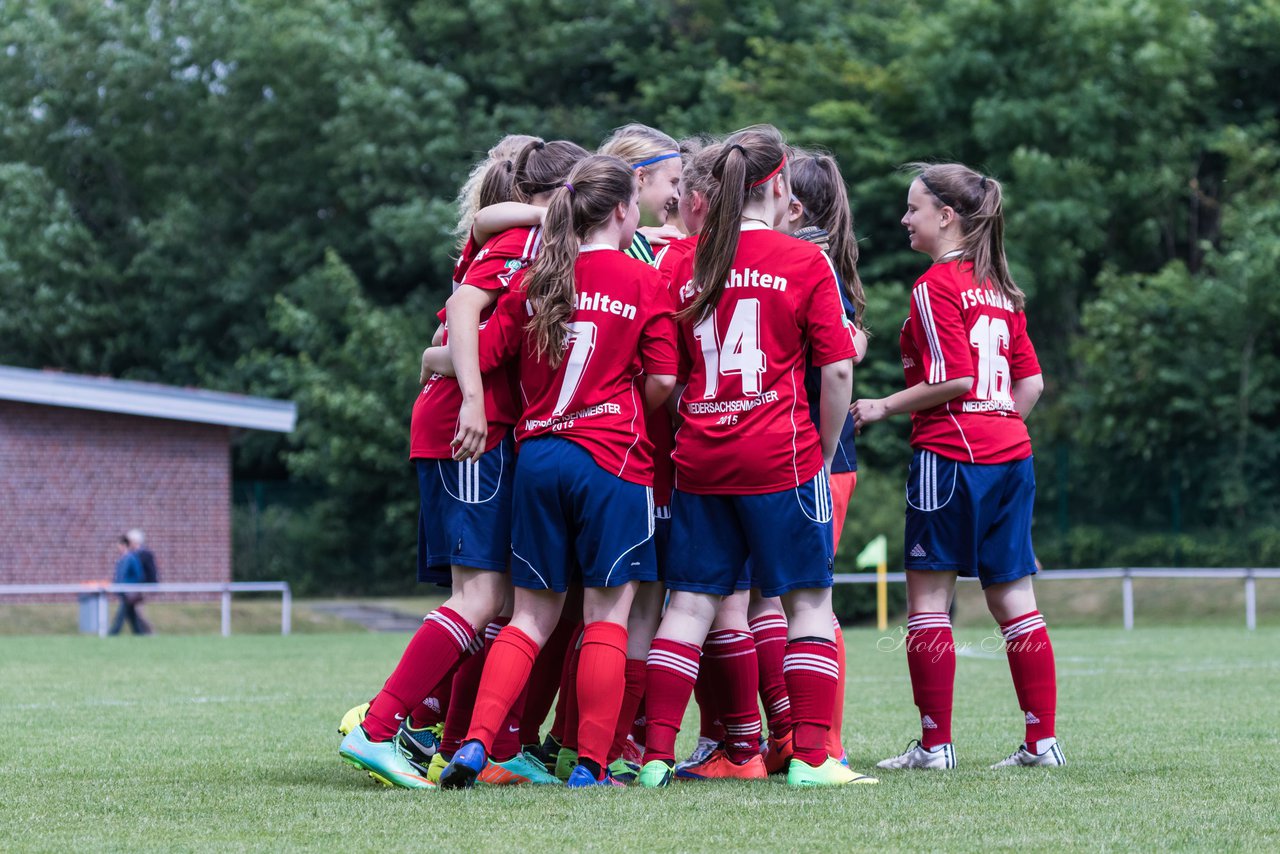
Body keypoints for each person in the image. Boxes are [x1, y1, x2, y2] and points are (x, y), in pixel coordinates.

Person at [338, 137, 586, 790]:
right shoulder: (526, 243)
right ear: (557, 194)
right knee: (478, 596)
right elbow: (463, 313)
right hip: (468, 429)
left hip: (476, 425)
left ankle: (453, 741)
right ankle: (381, 726)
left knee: (498, 599)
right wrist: (472, 398)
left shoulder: (528, 236)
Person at [426, 153, 677, 788]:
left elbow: (476, 353)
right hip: (612, 459)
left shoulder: (538, 280)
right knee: (606, 617)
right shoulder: (645, 282)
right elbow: (664, 379)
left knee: (530, 617)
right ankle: (591, 764)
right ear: (622, 210)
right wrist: (621, 409)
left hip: (538, 459)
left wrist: (434, 360)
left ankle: (479, 744)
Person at [637, 124, 875, 787]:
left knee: (687, 607)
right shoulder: (804, 261)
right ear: (779, 184)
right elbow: (835, 373)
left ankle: (655, 757)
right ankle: (811, 758)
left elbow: (671, 372)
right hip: (783, 458)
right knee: (806, 605)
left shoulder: (682, 261)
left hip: (702, 461)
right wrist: (822, 453)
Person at [852, 162, 1062, 770]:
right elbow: (1033, 383)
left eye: (913, 208)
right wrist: (999, 430)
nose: (903, 219)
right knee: (1016, 600)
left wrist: (884, 405)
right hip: (1010, 457)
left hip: (949, 458)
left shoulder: (935, 286)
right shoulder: (1001, 288)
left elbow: (956, 379)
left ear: (946, 216)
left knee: (926, 603)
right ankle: (1041, 744)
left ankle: (934, 746)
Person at [108, 535, 151, 636]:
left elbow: (139, 575)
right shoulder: (122, 559)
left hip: (129, 593)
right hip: (123, 592)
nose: (117, 548)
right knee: (132, 617)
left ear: (124, 545)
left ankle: (112, 634)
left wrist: (132, 587)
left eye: (119, 546)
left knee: (121, 615)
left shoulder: (131, 558)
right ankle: (140, 634)